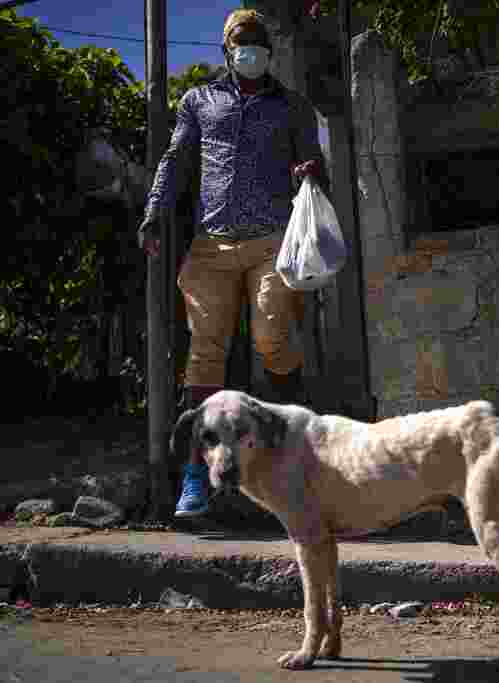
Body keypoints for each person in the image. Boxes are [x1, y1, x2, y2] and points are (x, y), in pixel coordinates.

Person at [138, 9, 329, 518]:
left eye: (259, 43)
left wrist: (310, 171)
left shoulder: (291, 106)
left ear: (270, 51)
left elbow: (316, 165)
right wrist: (155, 212)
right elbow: (175, 160)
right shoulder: (199, 101)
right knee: (204, 355)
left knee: (272, 340)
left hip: (271, 241)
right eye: (243, 42)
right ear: (226, 50)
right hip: (211, 245)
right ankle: (195, 477)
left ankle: (294, 456)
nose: (252, 50)